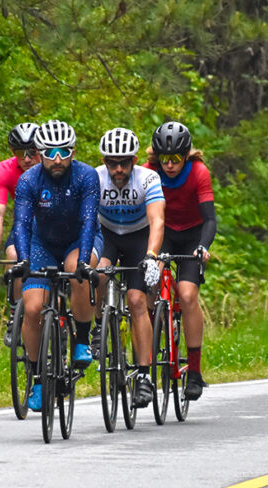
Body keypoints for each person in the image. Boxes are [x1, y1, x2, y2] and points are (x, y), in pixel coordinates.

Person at [12, 120, 102, 411]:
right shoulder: (28, 181)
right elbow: (22, 225)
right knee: (34, 307)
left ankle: (83, 340)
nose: (58, 158)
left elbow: (89, 221)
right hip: (42, 244)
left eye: (64, 151)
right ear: (39, 154)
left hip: (79, 239)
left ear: (73, 152)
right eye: (51, 152)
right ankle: (37, 378)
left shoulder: (87, 176)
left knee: (78, 270)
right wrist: (24, 261)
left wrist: (85, 261)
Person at [144, 121, 216, 401]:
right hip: (162, 233)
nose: (170, 165)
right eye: (165, 159)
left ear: (186, 156)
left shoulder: (199, 172)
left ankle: (195, 371)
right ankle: (147, 358)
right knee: (148, 288)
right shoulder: (149, 172)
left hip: (191, 236)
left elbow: (210, 219)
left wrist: (202, 246)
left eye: (175, 159)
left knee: (187, 295)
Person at [94, 127, 165, 408]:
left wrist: (151, 255)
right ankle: (98, 327)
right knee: (98, 273)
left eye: (125, 162)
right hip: (107, 235)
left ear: (135, 160)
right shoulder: (95, 177)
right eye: (112, 163)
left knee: (136, 300)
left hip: (138, 237)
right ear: (104, 161)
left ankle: (145, 376)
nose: (119, 169)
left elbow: (157, 220)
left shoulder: (148, 178)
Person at [0, 122, 41, 269]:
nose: (27, 159)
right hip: (24, 223)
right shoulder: (4, 171)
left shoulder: (55, 167)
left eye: (32, 152)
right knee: (13, 255)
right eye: (20, 153)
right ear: (12, 151)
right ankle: (14, 292)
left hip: (56, 223)